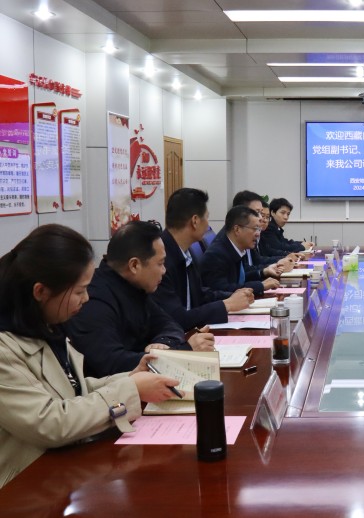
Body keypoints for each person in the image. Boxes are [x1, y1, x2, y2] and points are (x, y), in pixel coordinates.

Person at [0, 224, 181, 487]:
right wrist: (130, 389)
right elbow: (50, 422)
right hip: (22, 487)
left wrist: (131, 377)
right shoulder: (6, 348)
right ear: (40, 292)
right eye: (79, 291)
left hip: (63, 471)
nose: (86, 299)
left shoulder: (45, 326)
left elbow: (72, 388)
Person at [65, 221, 215, 377]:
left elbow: (169, 324)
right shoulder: (93, 301)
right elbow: (112, 364)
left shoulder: (134, 286)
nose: (164, 271)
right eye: (160, 264)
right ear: (134, 265)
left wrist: (163, 344)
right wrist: (183, 352)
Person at [152, 188, 254, 331]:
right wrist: (227, 305)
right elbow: (177, 318)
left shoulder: (186, 252)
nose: (208, 225)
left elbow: (200, 294)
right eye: (206, 217)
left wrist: (232, 296)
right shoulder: (161, 260)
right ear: (195, 221)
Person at [200, 206, 282, 295]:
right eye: (255, 229)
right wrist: (260, 286)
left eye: (258, 229)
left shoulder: (237, 247)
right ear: (237, 229)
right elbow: (223, 289)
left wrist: (263, 272)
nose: (258, 234)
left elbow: (241, 277)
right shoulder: (216, 255)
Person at [231, 190, 298, 269]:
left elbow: (257, 260)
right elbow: (246, 272)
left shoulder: (249, 234)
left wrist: (280, 261)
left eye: (266, 216)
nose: (261, 218)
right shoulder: (226, 248)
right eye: (257, 212)